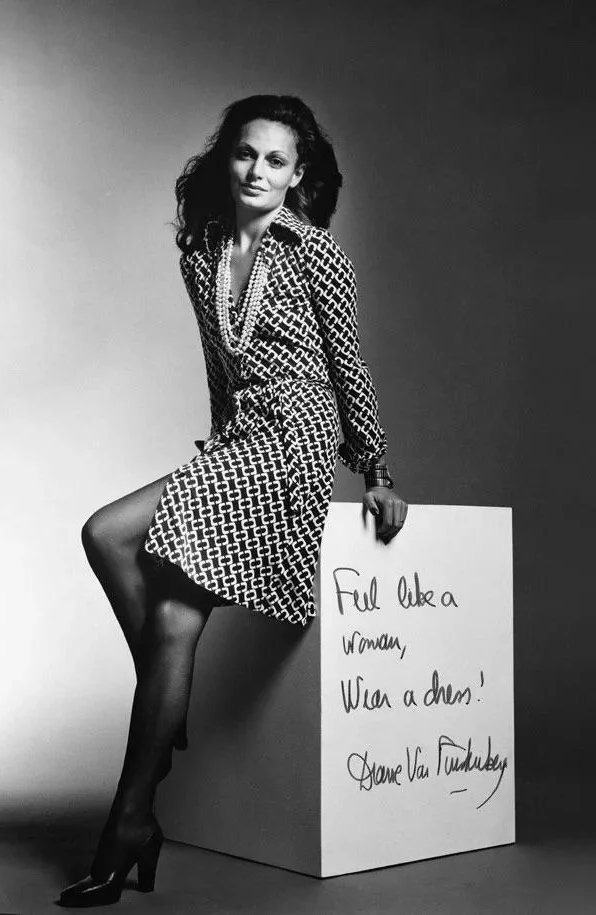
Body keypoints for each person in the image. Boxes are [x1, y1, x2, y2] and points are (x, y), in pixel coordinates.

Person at [58, 94, 408, 908]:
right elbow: (221, 374)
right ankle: (152, 744)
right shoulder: (203, 252)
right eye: (246, 154)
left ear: (300, 176)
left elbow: (349, 368)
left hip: (292, 448)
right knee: (110, 540)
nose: (258, 171)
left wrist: (377, 471)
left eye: (277, 161)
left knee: (155, 590)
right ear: (228, 159)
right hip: (237, 443)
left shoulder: (317, 254)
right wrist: (217, 447)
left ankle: (129, 816)